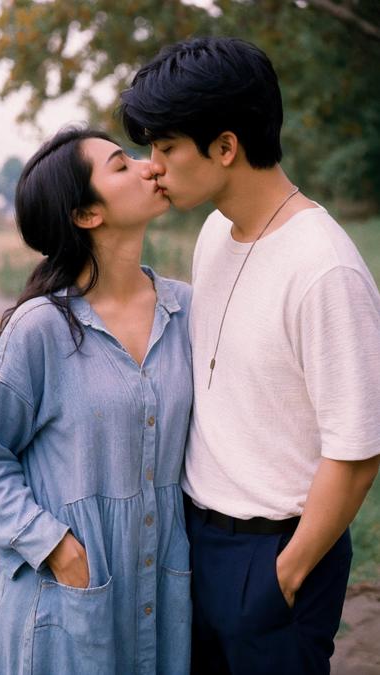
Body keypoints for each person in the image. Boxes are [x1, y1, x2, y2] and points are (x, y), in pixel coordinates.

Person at [120, 37, 380, 674]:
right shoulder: (215, 232)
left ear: (226, 146)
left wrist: (284, 574)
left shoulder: (324, 269)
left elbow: (358, 452)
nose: (151, 165)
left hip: (276, 551)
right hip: (196, 535)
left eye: (166, 147)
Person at [0, 126, 193, 675]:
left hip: (163, 586)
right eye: (120, 165)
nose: (147, 166)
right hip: (66, 596)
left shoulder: (186, 311)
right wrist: (58, 549)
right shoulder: (41, 330)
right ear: (87, 215)